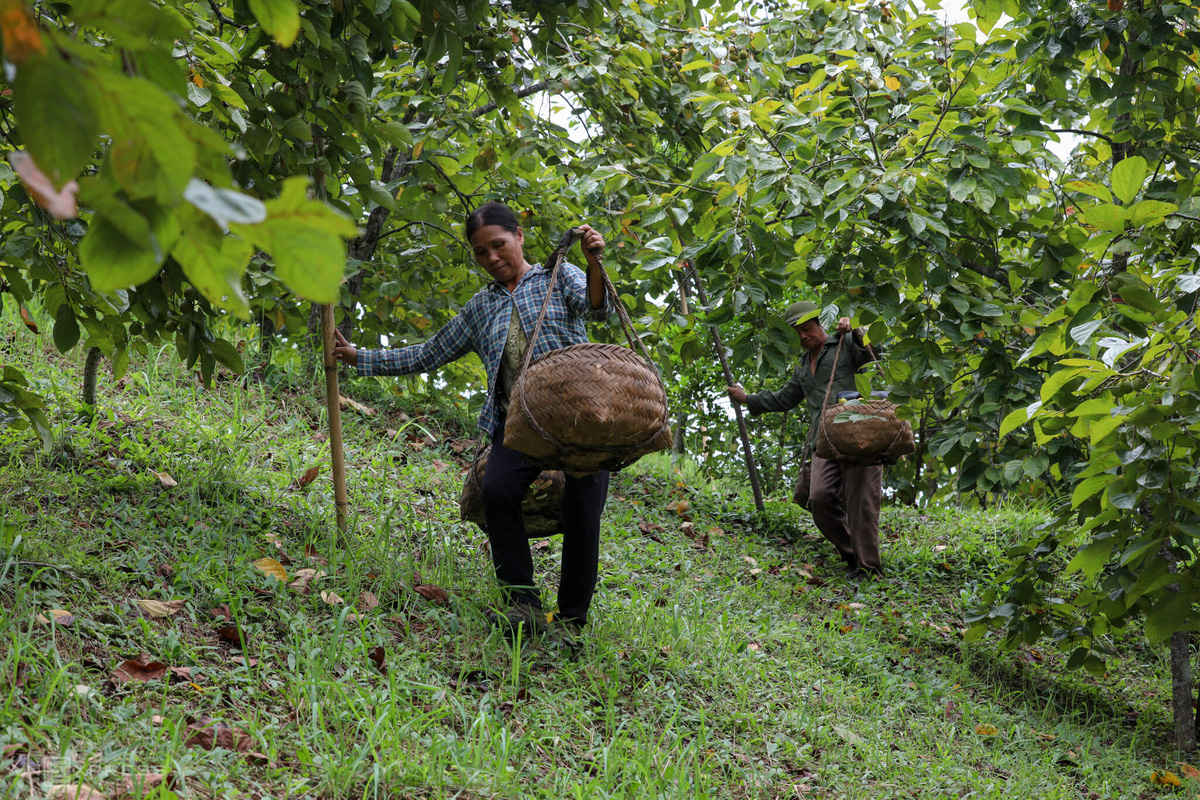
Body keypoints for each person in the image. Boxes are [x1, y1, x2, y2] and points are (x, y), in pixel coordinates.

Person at [331, 202, 611, 639]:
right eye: (481, 252)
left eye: (498, 245)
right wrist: (358, 357)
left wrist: (594, 262)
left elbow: (596, 309)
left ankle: (573, 621)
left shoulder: (560, 276)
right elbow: (429, 353)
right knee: (497, 489)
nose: (492, 258)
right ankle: (523, 603)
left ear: (519, 236)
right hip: (518, 423)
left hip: (579, 420)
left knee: (583, 510)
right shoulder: (483, 306)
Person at [726, 301, 884, 579]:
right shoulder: (802, 367)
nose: (803, 337)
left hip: (859, 434)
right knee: (819, 498)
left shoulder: (843, 344)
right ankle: (852, 554)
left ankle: (869, 569)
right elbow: (784, 399)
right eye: (798, 333)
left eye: (807, 329)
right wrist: (747, 398)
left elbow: (874, 353)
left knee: (862, 503)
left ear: (820, 324)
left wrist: (856, 328)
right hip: (824, 440)